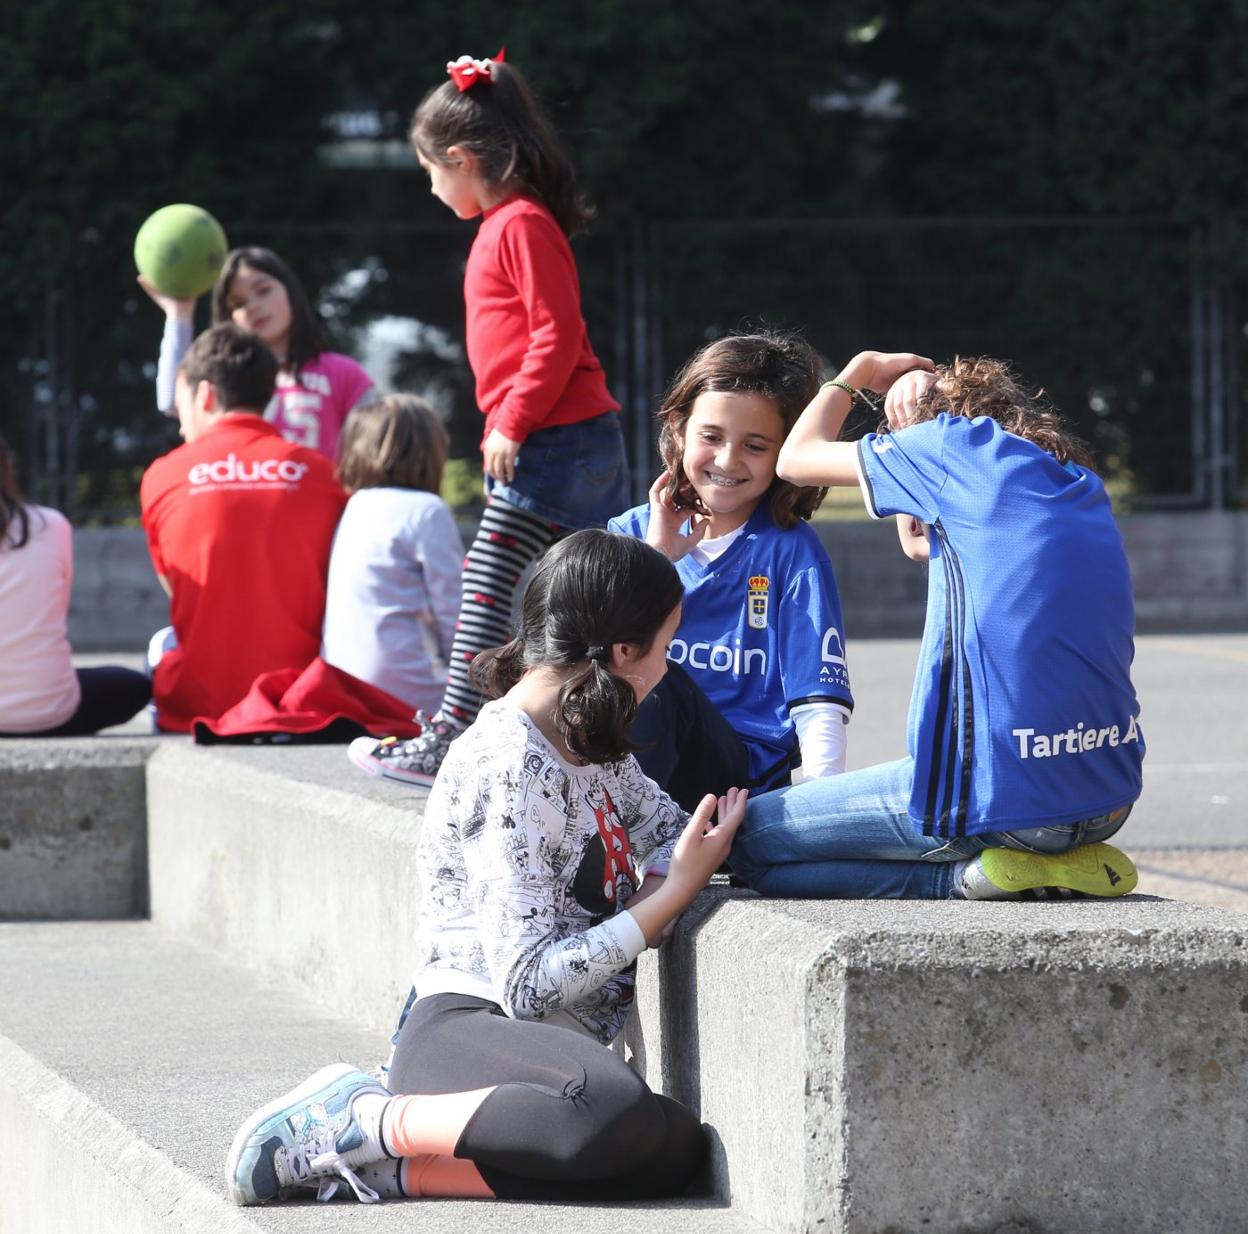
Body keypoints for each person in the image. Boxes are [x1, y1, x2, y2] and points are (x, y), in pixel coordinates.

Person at [228, 530, 746, 1207]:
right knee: (608, 1110)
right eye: (664, 647)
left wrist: (689, 861)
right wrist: (667, 897)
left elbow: (674, 834)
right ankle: (365, 1118)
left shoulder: (591, 742)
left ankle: (396, 1171)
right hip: (468, 1026)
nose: (667, 668)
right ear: (623, 652)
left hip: (548, 1052)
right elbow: (527, 984)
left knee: (675, 1149)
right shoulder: (509, 762)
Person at [728, 350, 1144, 900]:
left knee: (745, 845)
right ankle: (1053, 861)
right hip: (1107, 803)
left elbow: (795, 460)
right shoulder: (1075, 483)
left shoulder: (950, 446)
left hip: (1008, 808)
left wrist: (857, 376)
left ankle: (962, 878)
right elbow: (924, 544)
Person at [348, 52, 628, 786]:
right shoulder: (511, 223)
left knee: (493, 576)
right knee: (589, 598)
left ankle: (451, 735)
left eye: (429, 172)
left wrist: (511, 421)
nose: (432, 188)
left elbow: (556, 335)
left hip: (555, 441)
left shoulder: (519, 224)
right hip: (566, 439)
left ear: (462, 159)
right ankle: (587, 741)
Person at [609, 331, 854, 807]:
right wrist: (657, 561)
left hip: (738, 781)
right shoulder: (626, 535)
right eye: (711, 437)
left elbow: (817, 697)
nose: (727, 460)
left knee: (662, 684)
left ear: (787, 452)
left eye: (755, 446)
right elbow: (583, 666)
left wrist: (823, 814)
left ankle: (646, 847)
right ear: (679, 429)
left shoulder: (790, 551)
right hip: (629, 771)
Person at [140, 324, 347, 732]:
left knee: (161, 643)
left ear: (205, 395)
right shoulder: (324, 474)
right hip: (298, 701)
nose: (181, 425)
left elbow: (179, 588)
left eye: (181, 405)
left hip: (198, 708)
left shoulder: (163, 475)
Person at [140, 246, 376, 462]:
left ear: (290, 291)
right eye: (238, 303)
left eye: (263, 291)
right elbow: (173, 401)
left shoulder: (343, 373)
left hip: (317, 504)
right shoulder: (222, 378)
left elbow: (372, 451)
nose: (253, 306)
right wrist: (179, 314)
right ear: (228, 317)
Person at [322, 394, 463, 715]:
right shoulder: (427, 511)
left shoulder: (355, 505)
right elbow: (453, 610)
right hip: (411, 692)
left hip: (345, 685)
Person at [0, 437, 149, 736]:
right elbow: (54, 611)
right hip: (47, 714)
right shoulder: (50, 525)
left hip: (44, 711)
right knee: (134, 685)